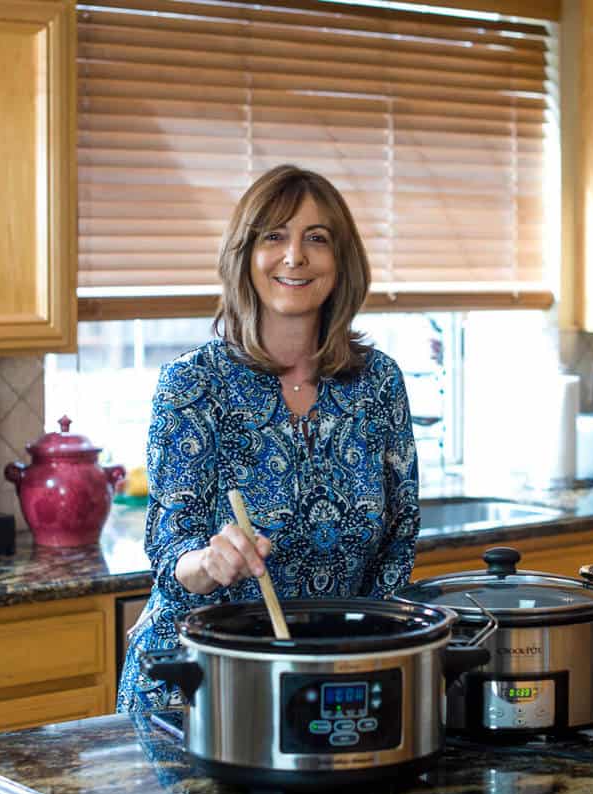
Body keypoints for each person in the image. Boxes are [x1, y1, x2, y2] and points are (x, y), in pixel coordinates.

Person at [117, 165, 420, 714]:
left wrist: (372, 660)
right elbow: (170, 547)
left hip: (334, 681)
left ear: (340, 260)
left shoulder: (379, 382)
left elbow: (399, 540)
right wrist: (209, 562)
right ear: (244, 256)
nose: (295, 256)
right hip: (197, 687)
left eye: (317, 238)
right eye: (274, 236)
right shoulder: (192, 384)